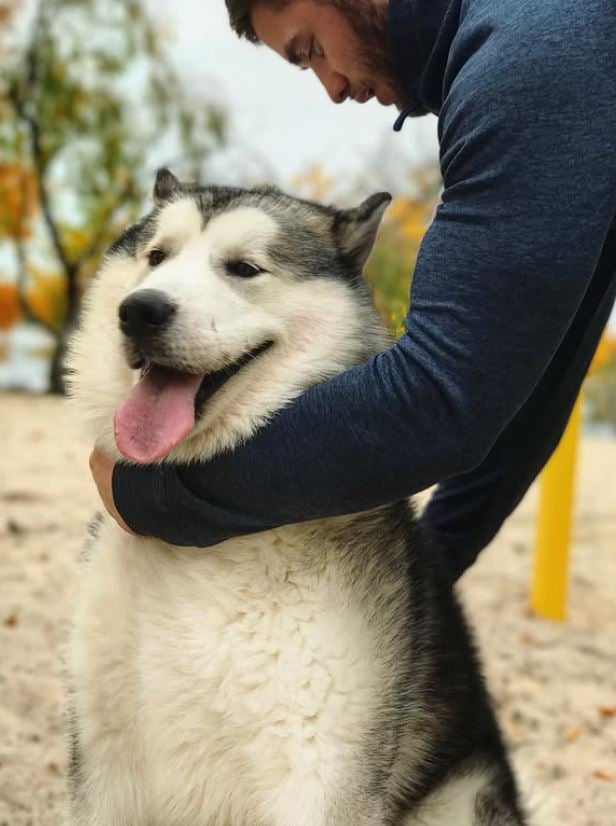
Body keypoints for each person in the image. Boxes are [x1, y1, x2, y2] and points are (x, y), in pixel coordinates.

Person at [90, 0, 616, 580]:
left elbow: (436, 401)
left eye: (311, 48)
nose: (333, 89)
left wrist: (160, 498)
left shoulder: (535, 52)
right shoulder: (554, 49)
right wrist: (430, 572)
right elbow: (532, 385)